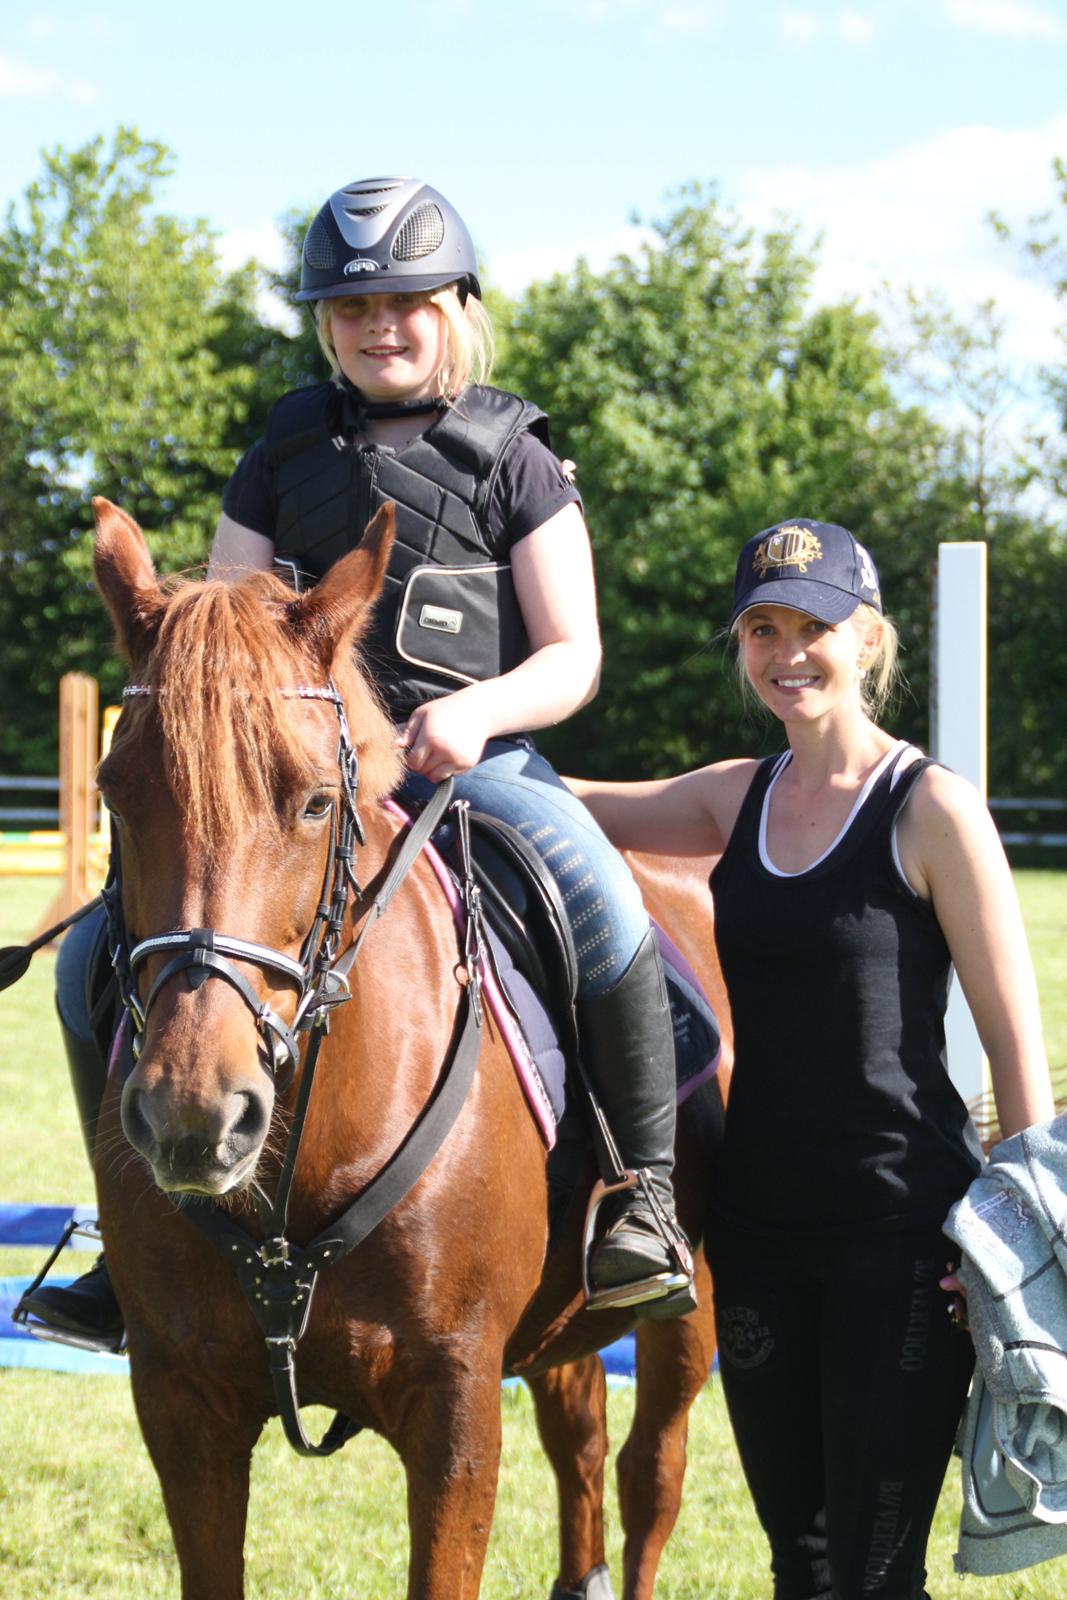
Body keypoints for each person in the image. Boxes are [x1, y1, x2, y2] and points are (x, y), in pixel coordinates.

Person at [22, 176, 694, 1347]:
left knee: (600, 899)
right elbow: (216, 621)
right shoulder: (286, 444)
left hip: (468, 765)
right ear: (325, 324)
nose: (379, 325)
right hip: (298, 781)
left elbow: (574, 653)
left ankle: (640, 1197)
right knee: (94, 947)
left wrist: (477, 714)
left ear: (457, 306)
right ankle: (126, 1233)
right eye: (352, 307)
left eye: (405, 302)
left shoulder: (515, 455)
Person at [566, 517, 1055, 1599]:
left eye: (814, 627)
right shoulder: (734, 796)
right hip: (755, 1238)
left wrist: (1008, 1257)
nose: (787, 652)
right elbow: (575, 810)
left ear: (867, 640)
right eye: (761, 629)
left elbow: (1017, 1051)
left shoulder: (929, 808)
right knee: (803, 1562)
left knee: (874, 1577)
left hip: (901, 1241)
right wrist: (441, 747)